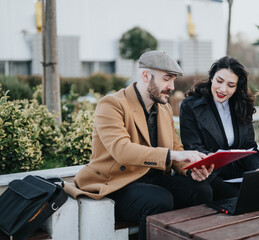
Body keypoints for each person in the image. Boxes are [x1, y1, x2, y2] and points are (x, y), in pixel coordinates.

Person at [64, 51, 214, 240]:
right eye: (167, 79)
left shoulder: (164, 108)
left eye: (173, 80)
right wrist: (172, 156)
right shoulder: (111, 104)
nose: (171, 87)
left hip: (152, 180)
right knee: (159, 199)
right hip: (117, 183)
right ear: (145, 76)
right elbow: (122, 150)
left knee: (201, 190)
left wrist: (191, 170)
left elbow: (176, 150)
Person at [179, 56, 259, 200]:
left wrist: (258, 170)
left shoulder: (242, 105)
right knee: (241, 198)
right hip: (210, 176)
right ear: (211, 77)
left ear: (237, 87)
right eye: (219, 81)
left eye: (231, 85)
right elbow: (194, 148)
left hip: (240, 173)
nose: (223, 89)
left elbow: (249, 147)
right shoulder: (191, 106)